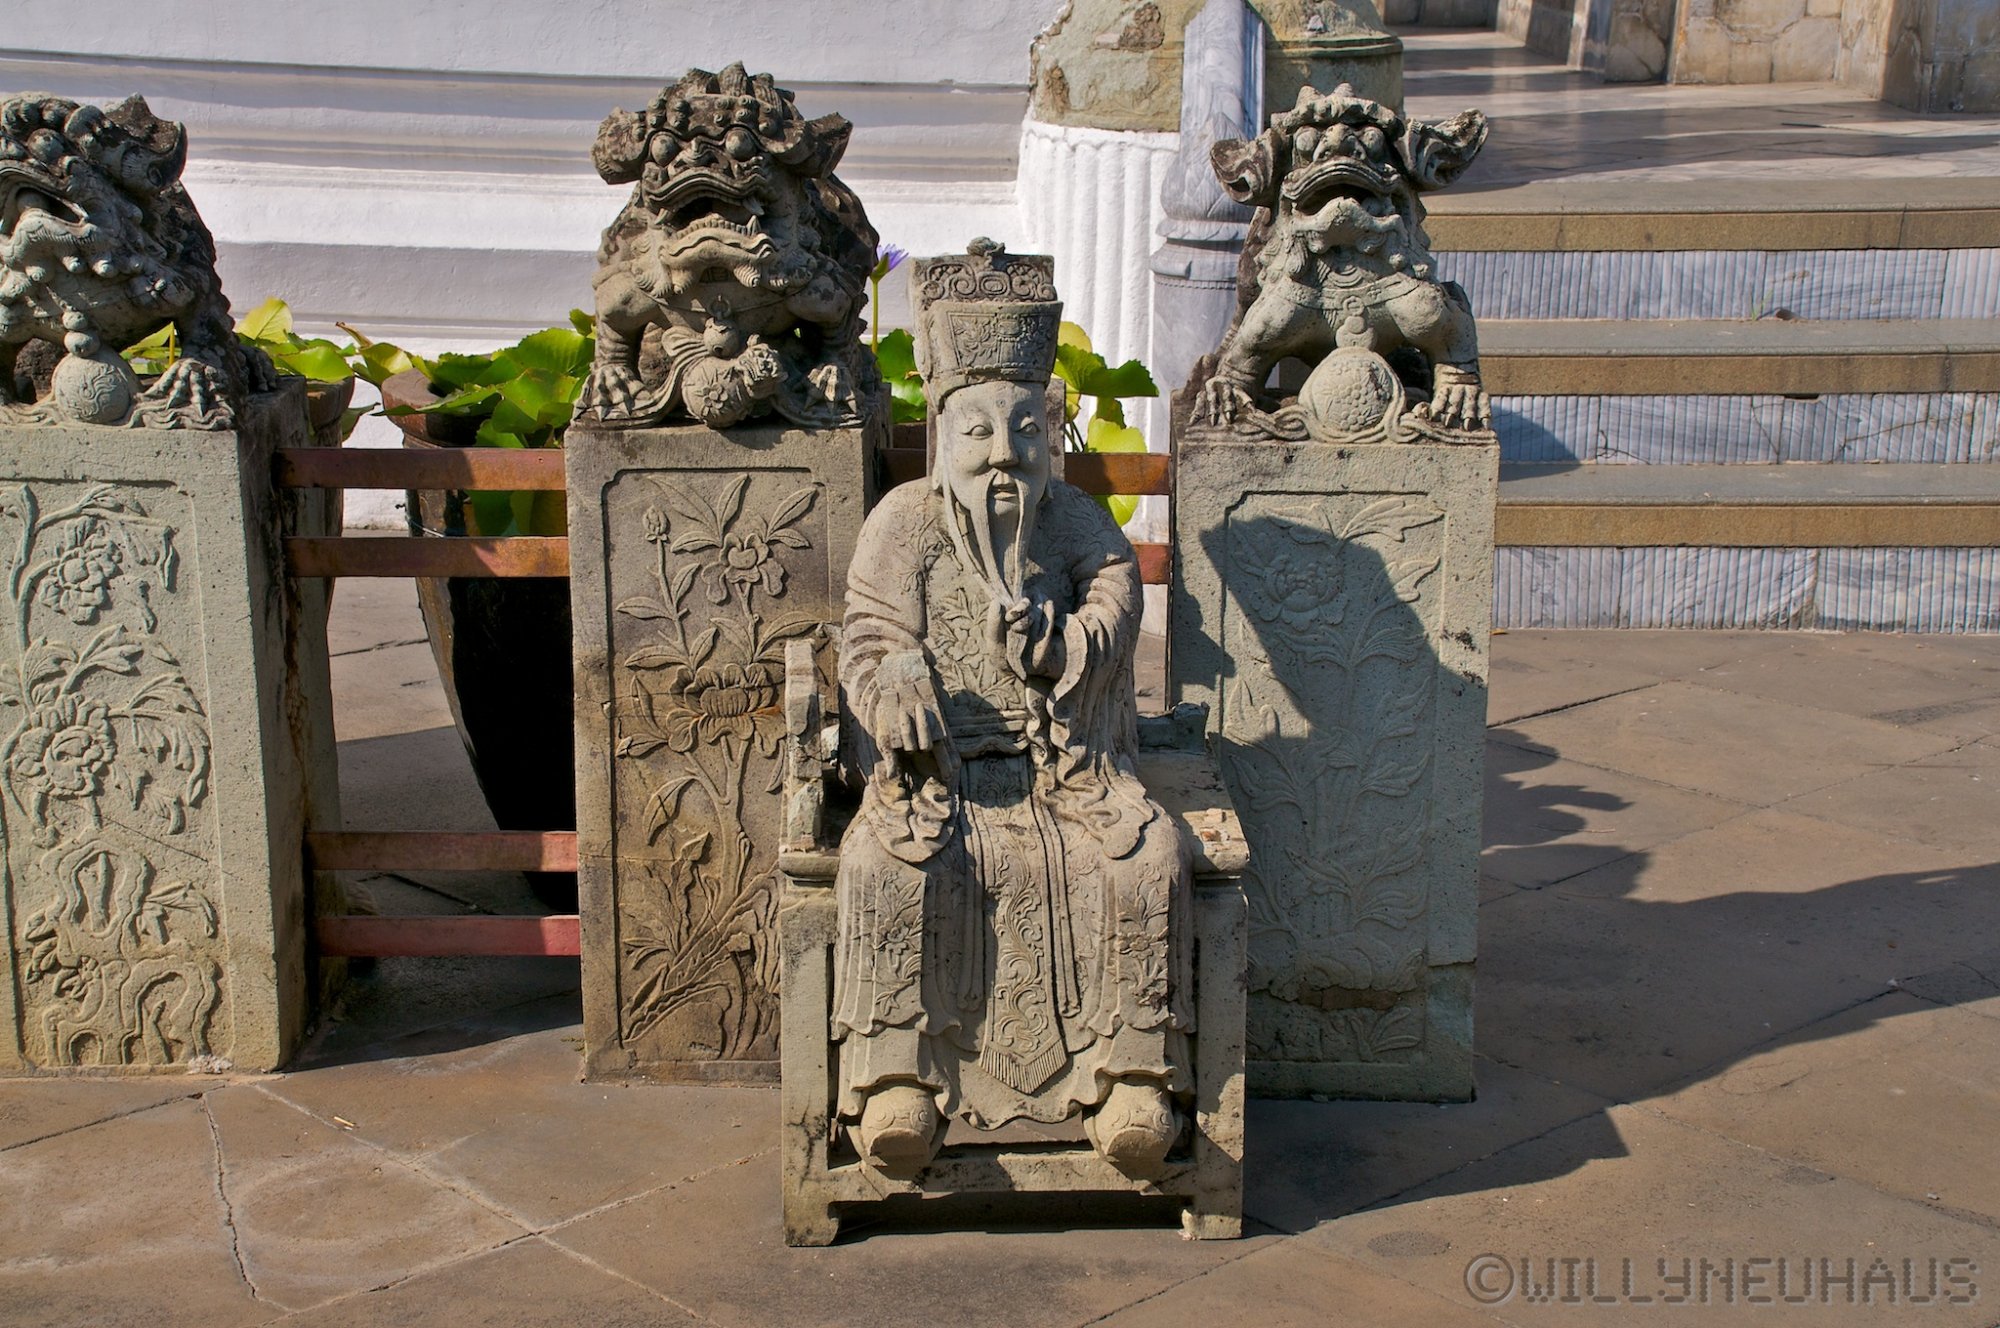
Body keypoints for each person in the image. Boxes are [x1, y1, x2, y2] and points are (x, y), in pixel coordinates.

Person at [830, 241, 1192, 1178]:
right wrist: (896, 680)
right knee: (884, 864)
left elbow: (1116, 598)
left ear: (1051, 433)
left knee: (1144, 858)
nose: (1004, 453)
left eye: (1026, 430)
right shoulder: (903, 523)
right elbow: (867, 632)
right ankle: (895, 1079)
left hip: (1068, 769)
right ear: (940, 433)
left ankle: (1132, 1076)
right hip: (938, 779)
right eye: (978, 432)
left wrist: (1065, 645)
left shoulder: (1074, 522)